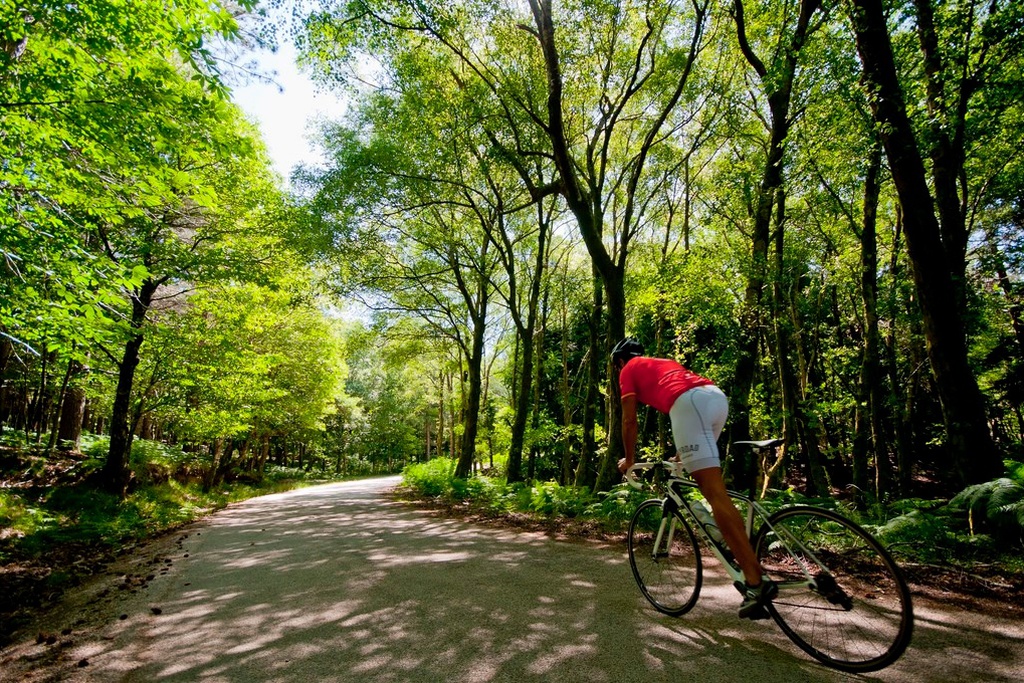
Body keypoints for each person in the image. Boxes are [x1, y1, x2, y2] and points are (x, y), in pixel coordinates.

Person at [611, 337, 776, 619]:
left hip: (688, 404)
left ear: (620, 361)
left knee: (714, 493)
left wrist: (629, 459)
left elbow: (629, 420)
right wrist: (680, 455)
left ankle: (755, 581)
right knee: (711, 485)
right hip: (714, 398)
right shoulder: (662, 363)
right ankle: (740, 546)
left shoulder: (628, 369)